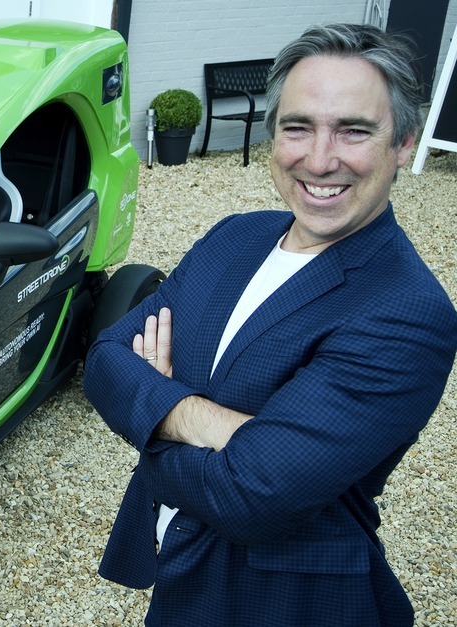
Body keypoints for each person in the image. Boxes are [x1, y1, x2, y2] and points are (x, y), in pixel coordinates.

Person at [83, 23, 457, 626]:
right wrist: (216, 425)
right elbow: (103, 360)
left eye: (354, 131)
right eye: (298, 127)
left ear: (404, 143)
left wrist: (151, 409)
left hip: (273, 597)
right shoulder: (237, 235)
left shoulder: (406, 312)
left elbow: (251, 494)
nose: (319, 159)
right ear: (273, 133)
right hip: (178, 560)